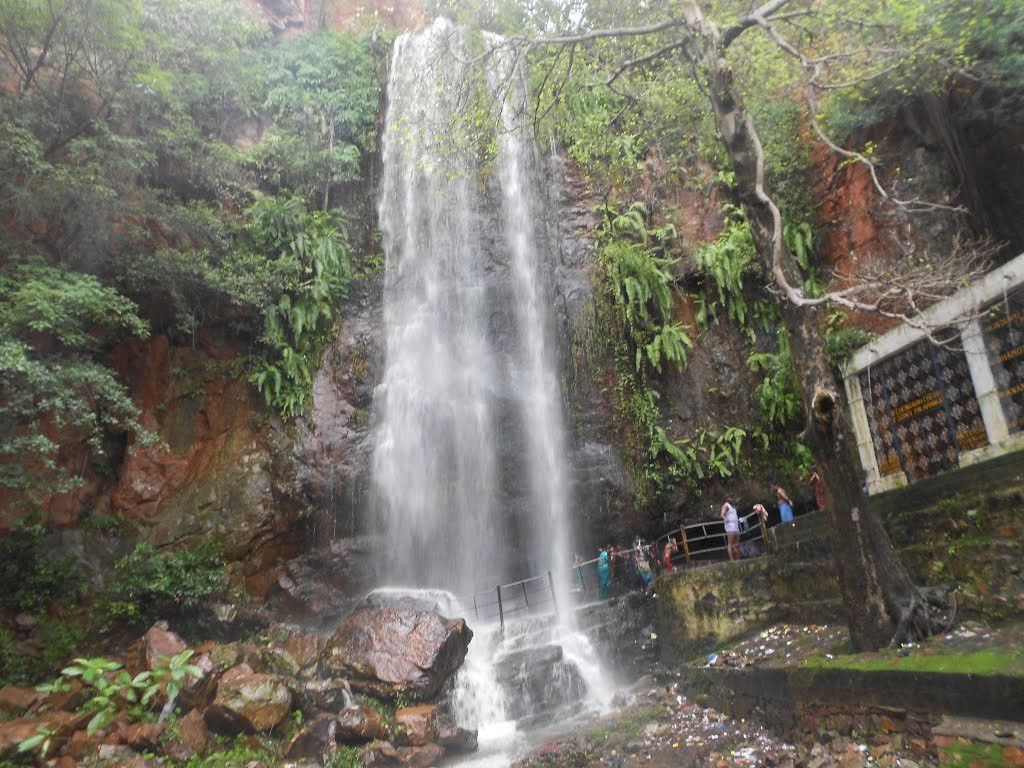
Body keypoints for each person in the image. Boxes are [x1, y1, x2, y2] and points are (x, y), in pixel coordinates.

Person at [721, 495, 740, 561]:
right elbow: (722, 514)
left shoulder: (733, 507)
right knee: (730, 544)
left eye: (732, 497)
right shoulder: (726, 505)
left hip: (736, 526)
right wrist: (725, 518)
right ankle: (732, 560)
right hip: (730, 527)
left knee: (736, 544)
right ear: (726, 498)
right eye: (730, 497)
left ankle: (737, 559)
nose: (731, 499)